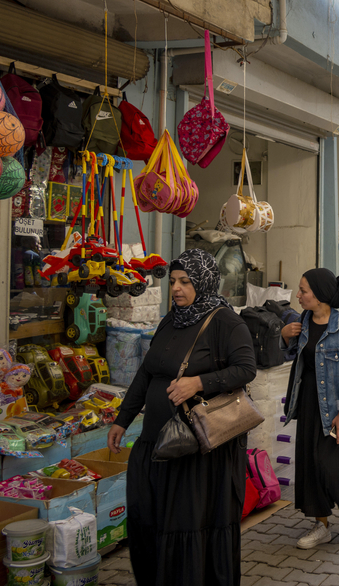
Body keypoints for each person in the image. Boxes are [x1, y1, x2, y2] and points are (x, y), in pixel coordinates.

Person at [109, 249, 256, 586]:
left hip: (198, 451)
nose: (176, 288)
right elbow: (147, 373)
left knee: (188, 524)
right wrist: (122, 418)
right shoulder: (171, 320)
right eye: (173, 280)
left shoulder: (225, 322)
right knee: (150, 518)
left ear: (203, 282)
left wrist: (198, 383)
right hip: (157, 441)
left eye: (185, 281)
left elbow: (245, 369)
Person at [281, 268, 339, 547]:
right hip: (308, 402)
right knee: (310, 464)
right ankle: (321, 525)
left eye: (303, 290)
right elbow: (293, 357)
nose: (298, 295)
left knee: (335, 463)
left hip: (336, 406)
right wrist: (284, 336)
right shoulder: (301, 321)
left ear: (320, 295)